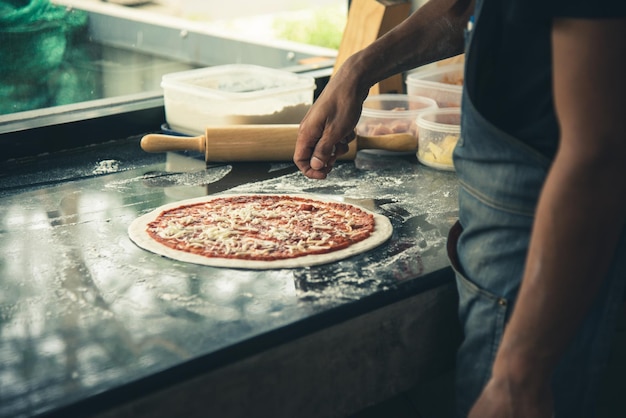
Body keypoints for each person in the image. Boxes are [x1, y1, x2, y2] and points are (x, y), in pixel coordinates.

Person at [293, 0, 626, 416]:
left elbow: (597, 156)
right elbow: (460, 8)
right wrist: (357, 70)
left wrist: (519, 376)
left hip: (552, 249)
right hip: (504, 230)